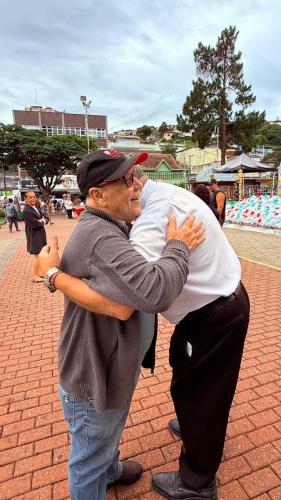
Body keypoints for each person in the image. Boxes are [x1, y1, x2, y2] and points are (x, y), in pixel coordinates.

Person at [40, 165, 250, 499]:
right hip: (96, 367)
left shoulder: (124, 219)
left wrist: (53, 274)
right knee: (92, 447)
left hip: (210, 314)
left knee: (199, 394)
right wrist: (52, 274)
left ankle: (181, 473)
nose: (135, 183)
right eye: (125, 180)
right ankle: (110, 468)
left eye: (135, 175)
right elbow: (141, 297)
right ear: (97, 195)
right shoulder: (119, 227)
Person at [23, 191, 49, 283]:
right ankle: (35, 276)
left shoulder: (36, 207)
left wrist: (42, 220)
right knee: (37, 255)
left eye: (34, 196)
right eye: (30, 197)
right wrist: (42, 221)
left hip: (40, 233)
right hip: (34, 234)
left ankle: (38, 273)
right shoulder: (27, 210)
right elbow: (35, 224)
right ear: (25, 199)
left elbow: (46, 217)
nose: (33, 199)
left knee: (40, 253)